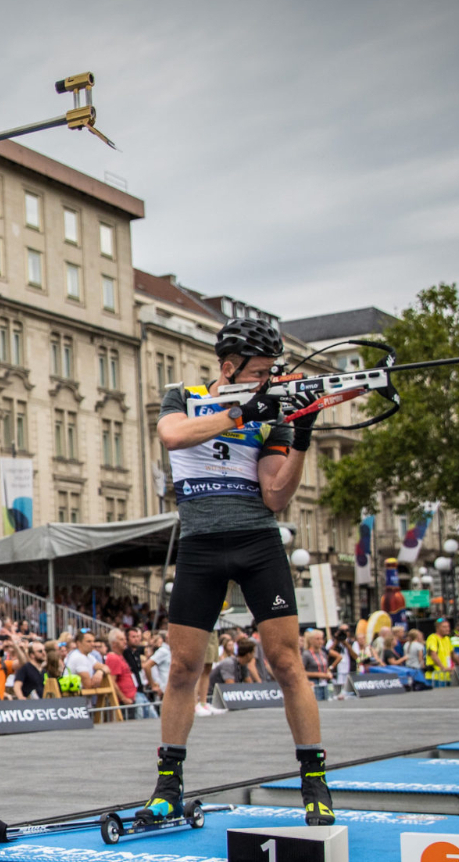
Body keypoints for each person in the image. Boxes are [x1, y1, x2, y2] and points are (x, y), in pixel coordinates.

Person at [153, 317, 332, 826]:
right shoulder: (183, 396)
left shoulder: (272, 412)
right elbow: (173, 436)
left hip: (257, 542)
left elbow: (275, 495)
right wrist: (240, 412)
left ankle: (314, 781)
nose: (267, 380)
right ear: (229, 368)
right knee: (183, 668)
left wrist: (300, 436)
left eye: (271, 372)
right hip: (200, 546)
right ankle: (167, 785)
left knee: (287, 663)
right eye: (258, 372)